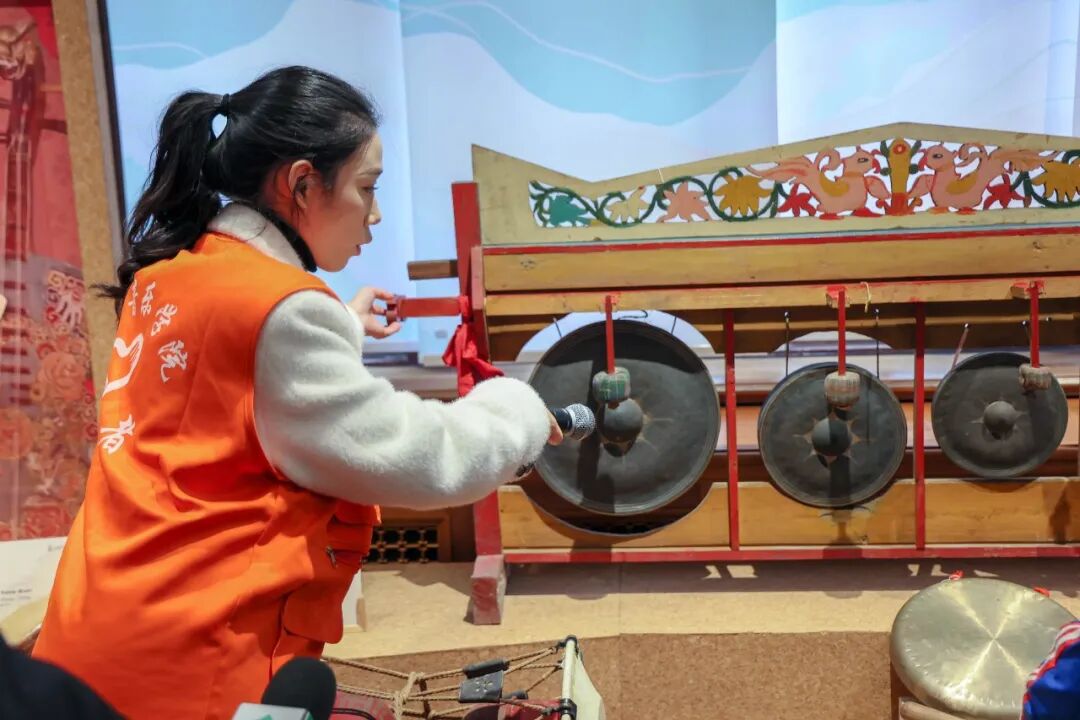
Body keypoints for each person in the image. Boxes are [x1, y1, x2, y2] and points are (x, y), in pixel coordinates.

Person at [32, 65, 562, 719]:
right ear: (303, 183)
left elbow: (235, 381)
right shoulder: (282, 312)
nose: (376, 213)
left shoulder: (171, 275)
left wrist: (339, 323)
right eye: (367, 187)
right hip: (190, 661)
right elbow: (425, 459)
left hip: (97, 637)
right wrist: (517, 409)